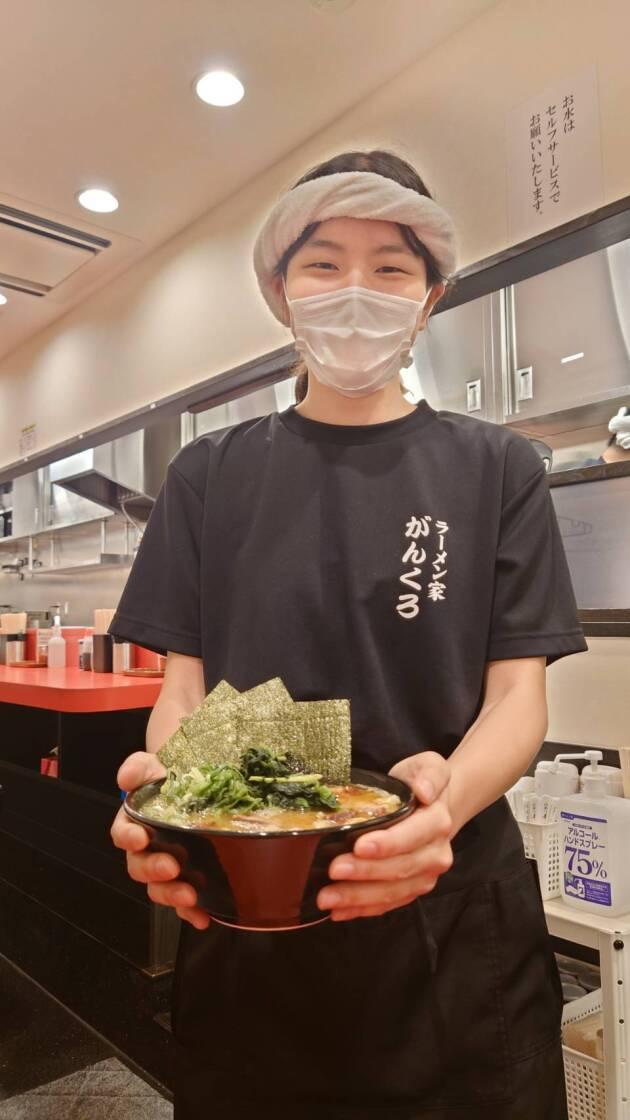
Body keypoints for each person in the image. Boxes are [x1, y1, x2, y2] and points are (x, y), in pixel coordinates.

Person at [110, 150, 588, 1119]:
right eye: (324, 262)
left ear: (431, 296)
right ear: (281, 290)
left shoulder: (500, 470)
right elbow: (184, 696)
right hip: (252, 910)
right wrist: (181, 807)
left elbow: (516, 699)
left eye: (391, 266)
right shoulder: (208, 475)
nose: (355, 291)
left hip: (453, 922)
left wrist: (439, 813)